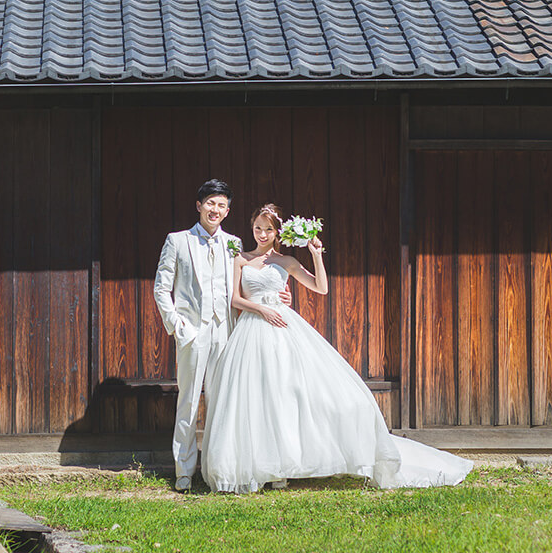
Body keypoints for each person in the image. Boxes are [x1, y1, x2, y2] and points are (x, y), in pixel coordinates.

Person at [201, 203, 473, 494]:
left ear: (278, 232)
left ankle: (283, 465)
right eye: (258, 227)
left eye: (268, 229)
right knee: (256, 397)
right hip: (253, 330)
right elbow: (234, 300)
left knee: (290, 394)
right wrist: (261, 309)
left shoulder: (287, 261)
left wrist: (316, 255)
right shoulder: (240, 259)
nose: (262, 233)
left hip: (283, 328)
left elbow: (320, 287)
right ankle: (262, 465)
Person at [153, 180, 291, 491]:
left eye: (221, 206)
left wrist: (278, 296)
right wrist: (177, 326)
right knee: (188, 403)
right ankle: (184, 471)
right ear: (199, 206)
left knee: (224, 402)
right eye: (210, 204)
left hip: (227, 331)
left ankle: (217, 467)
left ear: (227, 211)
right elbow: (161, 288)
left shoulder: (234, 243)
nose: (215, 210)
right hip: (193, 331)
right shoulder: (177, 241)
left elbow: (245, 285)